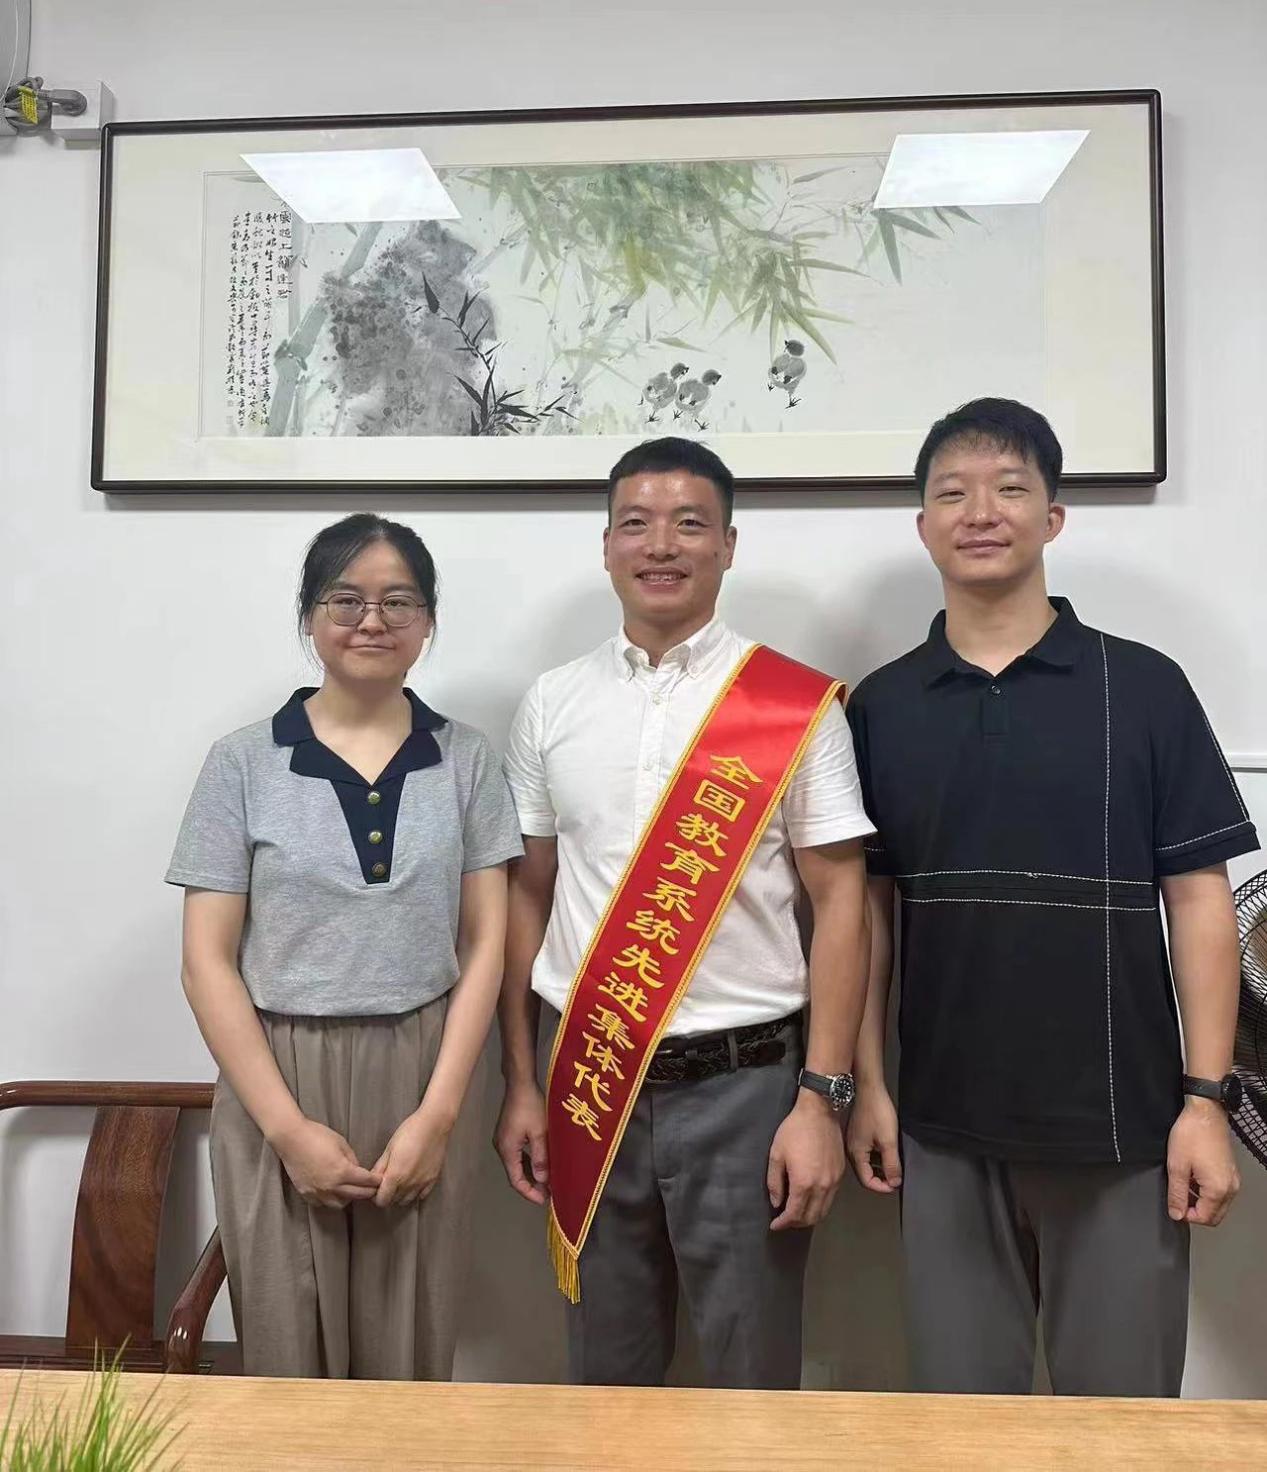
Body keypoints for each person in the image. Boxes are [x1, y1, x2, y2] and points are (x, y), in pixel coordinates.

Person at [844, 399, 1258, 1396]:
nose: (981, 511)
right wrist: (867, 1085)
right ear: (923, 525)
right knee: (959, 1432)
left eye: (1009, 487)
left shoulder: (1143, 687)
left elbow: (1201, 903)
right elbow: (864, 918)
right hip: (941, 1130)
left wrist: (1204, 1102)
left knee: (1121, 1434)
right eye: (953, 493)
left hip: (1121, 1130)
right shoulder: (881, 705)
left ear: (1052, 517)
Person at [495, 437, 874, 1389]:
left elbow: (842, 906)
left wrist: (821, 1101)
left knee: (752, 1382)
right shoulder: (551, 702)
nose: (660, 544)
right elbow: (528, 894)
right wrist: (521, 1082)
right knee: (606, 1379)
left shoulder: (792, 705)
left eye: (689, 524)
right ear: (607, 546)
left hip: (748, 1090)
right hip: (590, 1080)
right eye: (636, 523)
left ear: (727, 545)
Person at [167, 513, 522, 1378]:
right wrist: (287, 1130)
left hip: (427, 1067)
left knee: (409, 1350)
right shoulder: (242, 763)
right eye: (346, 600)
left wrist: (439, 1117)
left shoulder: (467, 760)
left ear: (427, 621)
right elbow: (207, 962)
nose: (372, 620)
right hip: (277, 1072)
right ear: (309, 617)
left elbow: (487, 943)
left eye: (398, 601)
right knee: (286, 1347)